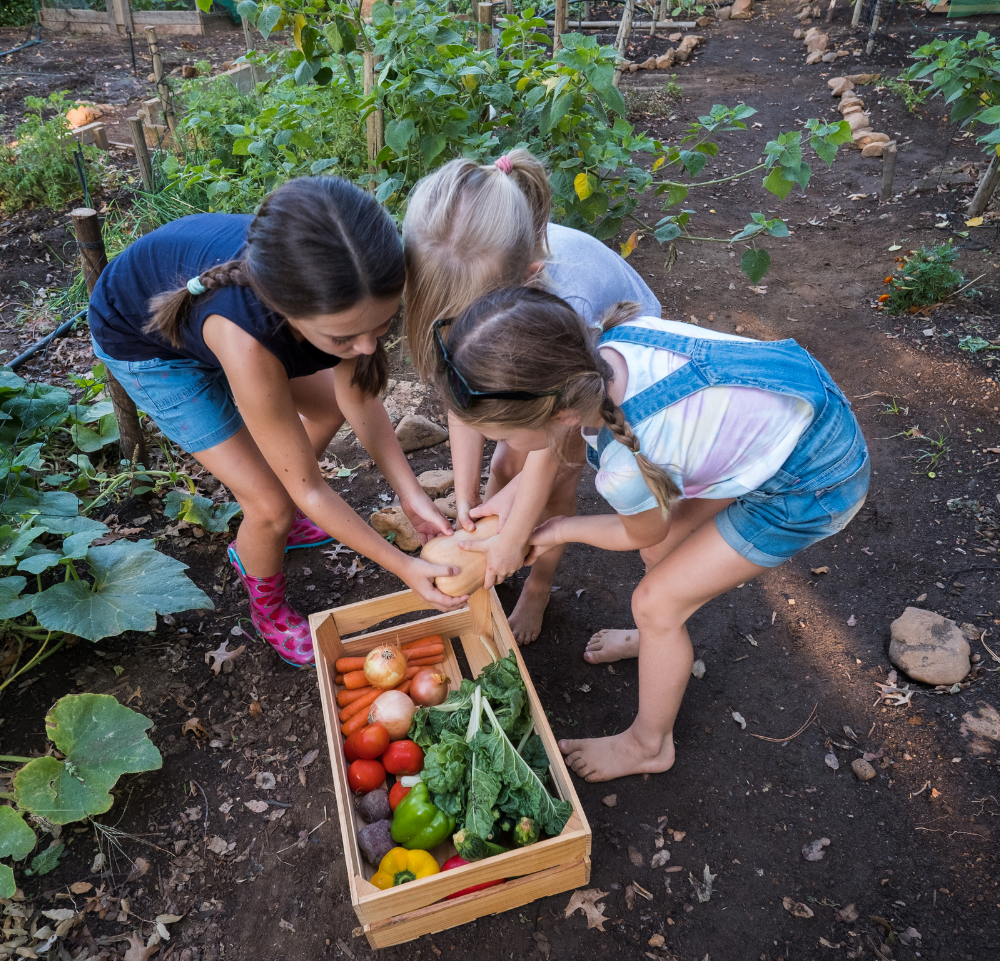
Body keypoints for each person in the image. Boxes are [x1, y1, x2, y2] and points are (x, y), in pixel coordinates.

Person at [431, 286, 870, 782]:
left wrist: (556, 530)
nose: (503, 448)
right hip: (791, 409)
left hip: (811, 480)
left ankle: (649, 744)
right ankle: (656, 642)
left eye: (504, 437)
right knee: (666, 552)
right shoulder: (602, 356)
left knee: (656, 602)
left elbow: (636, 532)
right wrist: (507, 509)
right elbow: (550, 450)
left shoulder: (625, 464)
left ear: (560, 414)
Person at [89, 176, 464, 668]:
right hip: (144, 342)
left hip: (214, 322)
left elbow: (359, 402)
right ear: (288, 313)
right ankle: (267, 605)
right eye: (346, 338)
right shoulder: (250, 341)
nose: (370, 347)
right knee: (270, 505)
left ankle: (276, 523)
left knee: (326, 409)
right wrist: (403, 566)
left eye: (382, 326)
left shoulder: (347, 287)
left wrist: (412, 497)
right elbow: (311, 490)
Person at [402, 149, 660, 644]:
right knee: (502, 469)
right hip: (534, 368)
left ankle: (537, 586)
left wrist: (518, 534)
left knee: (554, 479)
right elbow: (464, 397)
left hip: (603, 365)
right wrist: (465, 493)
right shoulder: (465, 278)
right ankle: (494, 553)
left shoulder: (568, 307)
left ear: (526, 279)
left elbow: (554, 452)